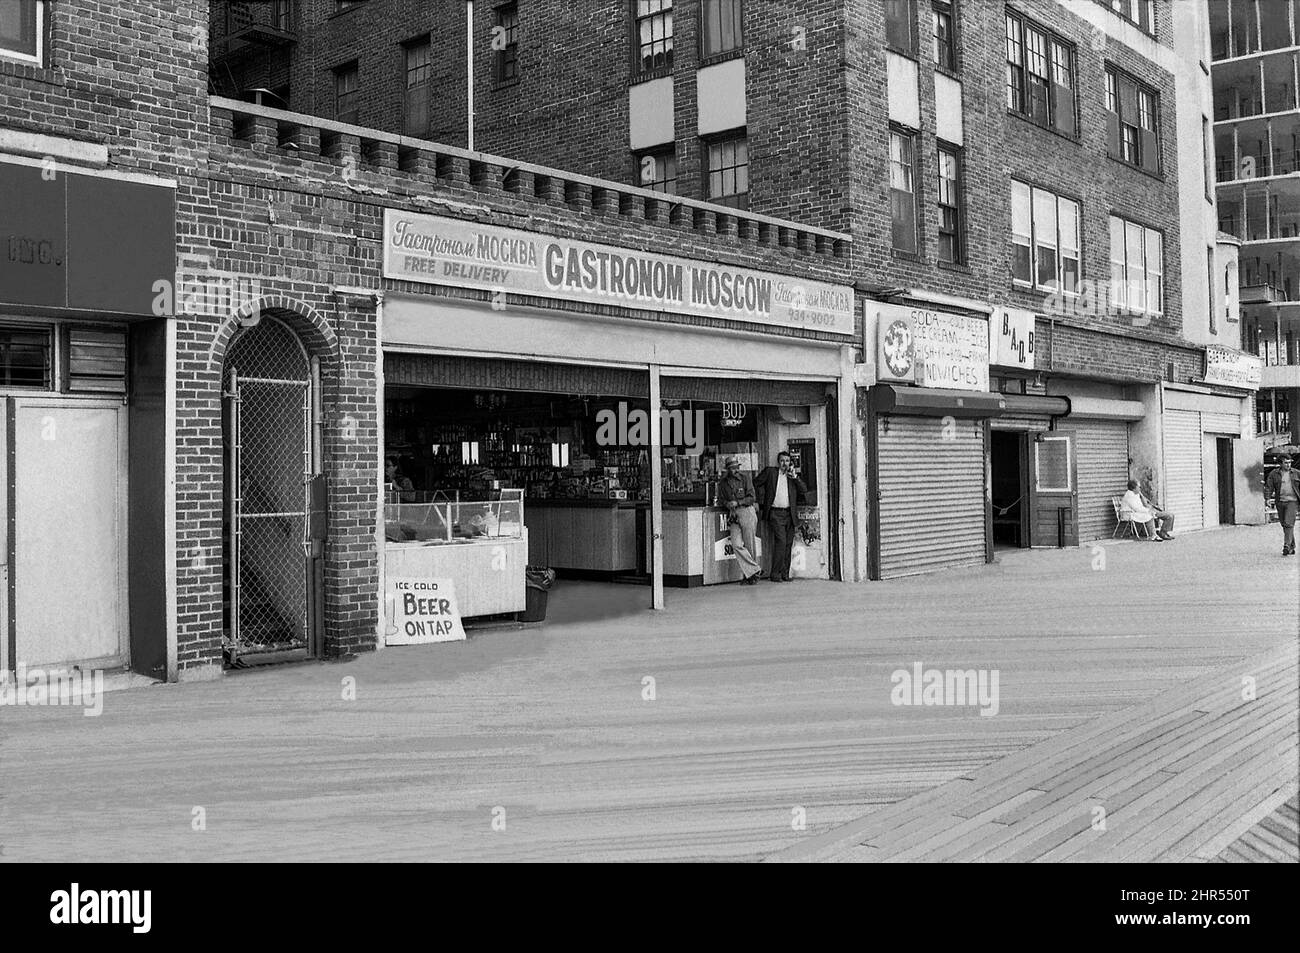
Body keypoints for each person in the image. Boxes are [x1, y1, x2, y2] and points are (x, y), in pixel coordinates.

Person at [754, 450, 809, 583]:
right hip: (775, 513)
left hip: (789, 513)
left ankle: (785, 573)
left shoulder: (792, 477)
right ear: (778, 462)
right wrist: (761, 499)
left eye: (787, 461)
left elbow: (804, 490)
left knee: (788, 543)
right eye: (782, 461)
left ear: (791, 463)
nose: (785, 463)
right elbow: (755, 483)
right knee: (781, 542)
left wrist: (795, 477)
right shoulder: (771, 472)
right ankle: (775, 573)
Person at [715, 456, 761, 585]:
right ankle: (755, 570)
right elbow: (721, 499)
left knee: (749, 543)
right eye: (732, 468)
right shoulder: (723, 483)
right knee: (736, 544)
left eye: (736, 467)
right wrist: (727, 504)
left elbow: (752, 497)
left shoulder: (745, 479)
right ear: (727, 469)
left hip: (746, 511)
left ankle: (751, 575)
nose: (735, 470)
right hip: (733, 514)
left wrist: (738, 502)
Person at [1266, 454, 1300, 556]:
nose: (1288, 465)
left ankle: (1286, 545)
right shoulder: (1274, 474)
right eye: (1286, 462)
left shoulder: (1296, 473)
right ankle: (1291, 546)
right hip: (1280, 501)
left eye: (1290, 462)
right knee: (1284, 524)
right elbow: (1269, 486)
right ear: (1280, 463)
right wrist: (1267, 498)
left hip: (1292, 501)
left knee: (1288, 523)